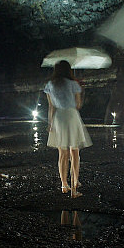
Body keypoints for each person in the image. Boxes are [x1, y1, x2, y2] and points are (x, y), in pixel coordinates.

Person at [44, 60, 92, 198]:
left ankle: (64, 184)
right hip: (71, 116)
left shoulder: (50, 85)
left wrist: (50, 124)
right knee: (74, 152)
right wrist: (79, 91)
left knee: (62, 153)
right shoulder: (73, 84)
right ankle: (75, 184)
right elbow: (78, 105)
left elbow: (51, 107)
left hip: (58, 117)